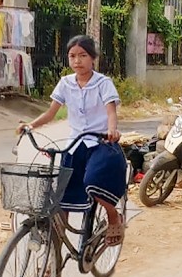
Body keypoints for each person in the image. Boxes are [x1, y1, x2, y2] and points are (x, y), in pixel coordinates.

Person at [21, 35, 127, 246]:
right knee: (61, 197)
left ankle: (113, 215)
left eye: (83, 55)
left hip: (100, 143)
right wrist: (30, 126)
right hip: (75, 145)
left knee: (93, 181)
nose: (77, 61)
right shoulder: (65, 83)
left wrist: (112, 130)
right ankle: (57, 253)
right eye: (72, 56)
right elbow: (51, 113)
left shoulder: (103, 83)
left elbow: (111, 112)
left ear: (93, 58)